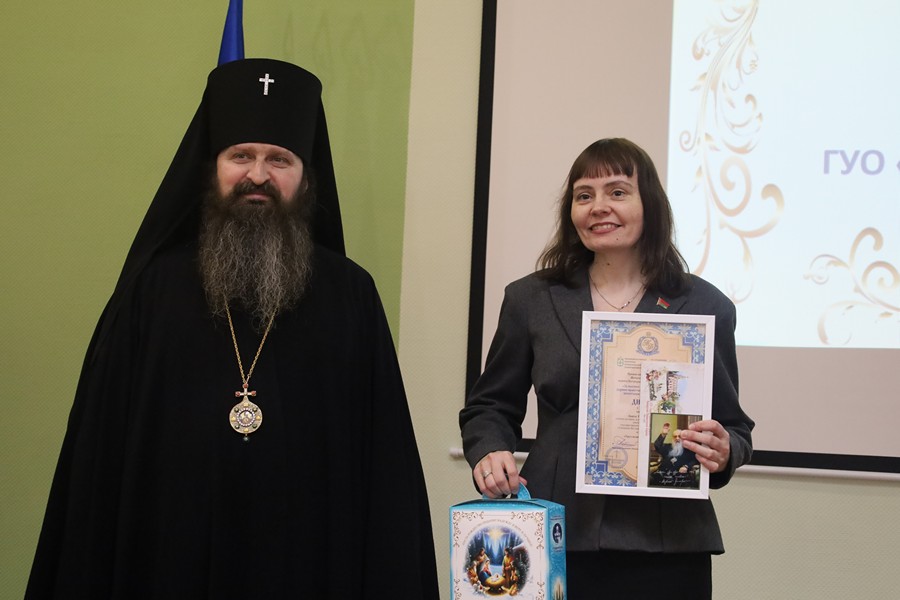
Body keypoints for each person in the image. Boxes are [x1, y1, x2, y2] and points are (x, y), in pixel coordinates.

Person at [26, 58, 439, 599]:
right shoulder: (153, 292)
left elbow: (385, 475)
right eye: (241, 155)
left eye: (280, 159)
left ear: (306, 177)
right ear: (213, 167)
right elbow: (98, 468)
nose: (258, 175)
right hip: (167, 558)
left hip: (308, 563)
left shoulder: (350, 296)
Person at [459, 138, 753, 599]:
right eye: (584, 195)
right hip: (556, 531)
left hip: (669, 545)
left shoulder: (704, 305)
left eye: (617, 192)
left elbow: (734, 428)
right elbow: (489, 406)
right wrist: (489, 450)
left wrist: (724, 450)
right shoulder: (530, 299)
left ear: (649, 204)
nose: (598, 206)